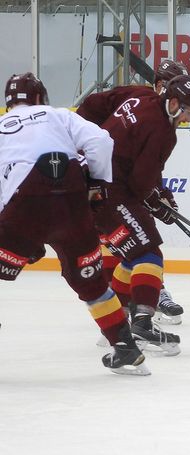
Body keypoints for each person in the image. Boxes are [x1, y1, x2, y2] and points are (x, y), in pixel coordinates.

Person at [0, 72, 148, 375]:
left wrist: (22, 237)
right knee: (90, 281)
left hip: (23, 202)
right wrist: (96, 184)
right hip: (71, 195)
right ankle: (125, 348)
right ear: (40, 97)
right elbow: (101, 141)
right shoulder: (57, 115)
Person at [83, 74, 190, 356]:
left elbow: (93, 103)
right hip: (113, 192)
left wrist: (88, 141)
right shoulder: (165, 132)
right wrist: (156, 202)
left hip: (92, 187)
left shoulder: (140, 95)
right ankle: (142, 324)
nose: (187, 119)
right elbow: (140, 184)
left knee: (131, 256)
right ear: (174, 102)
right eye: (187, 112)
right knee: (149, 255)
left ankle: (117, 322)